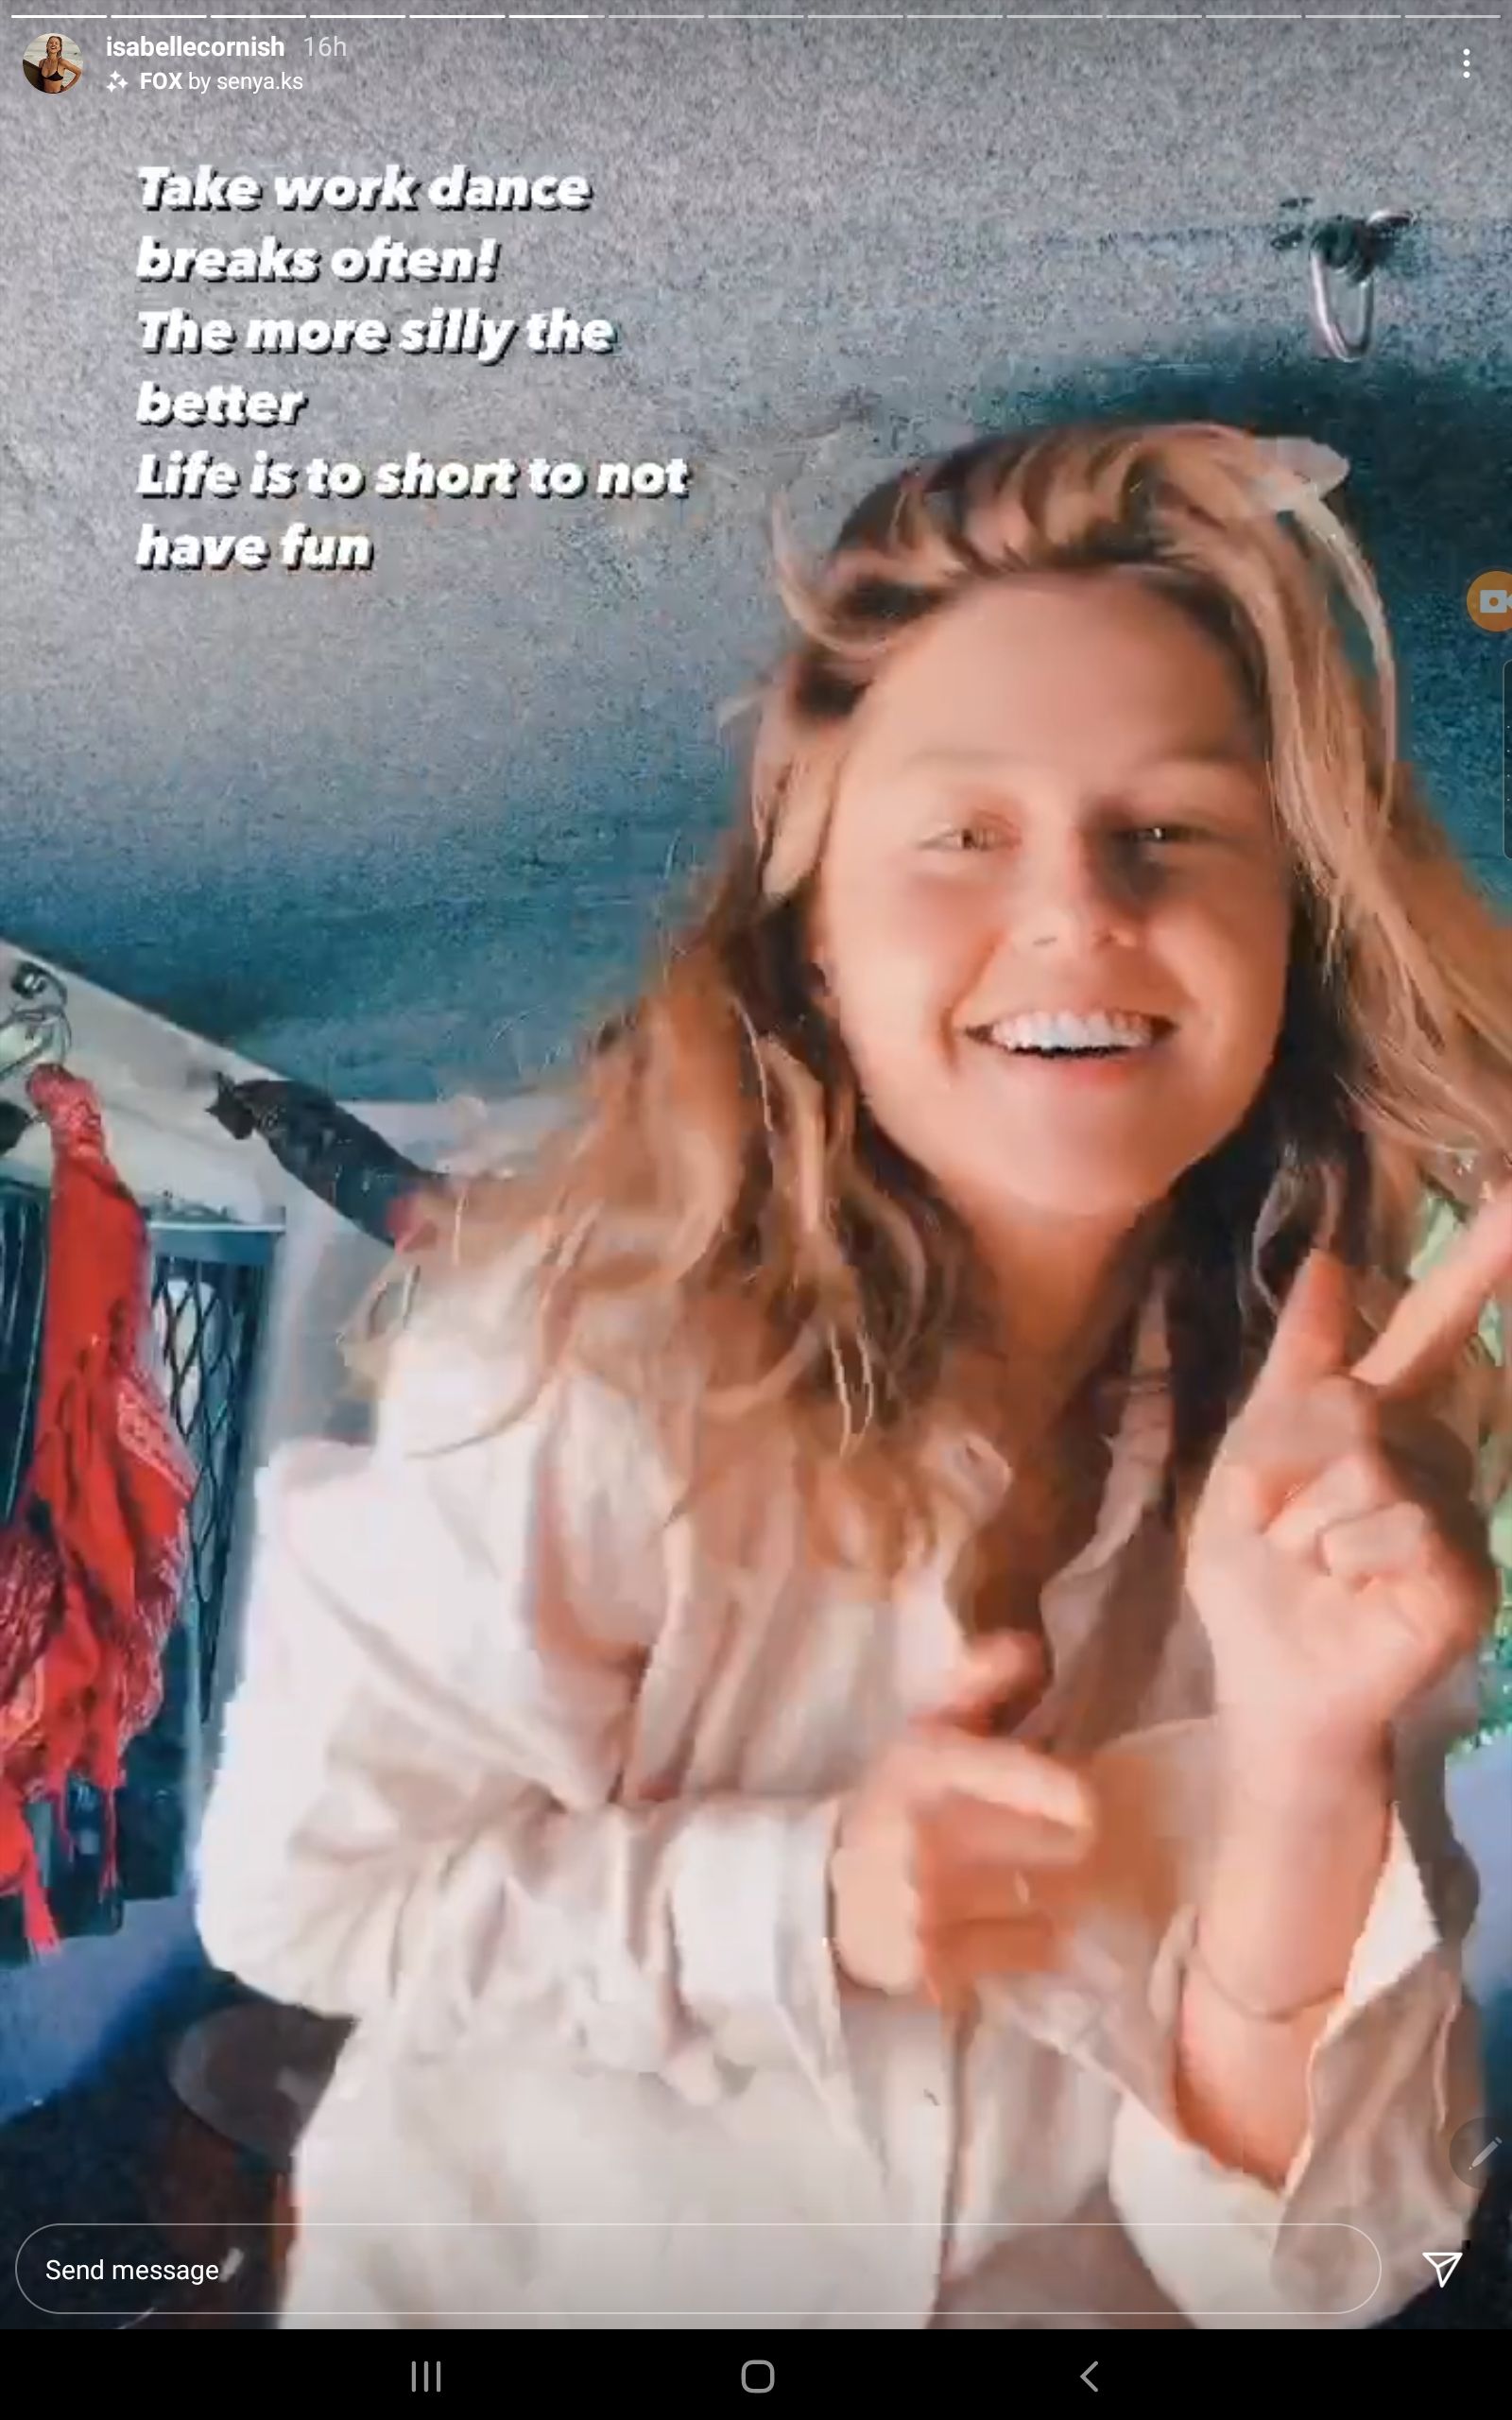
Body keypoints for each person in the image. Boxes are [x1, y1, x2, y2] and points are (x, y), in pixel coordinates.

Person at [195, 421, 1512, 2331]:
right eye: (963, 832)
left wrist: (1310, 1762)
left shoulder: (1348, 1470)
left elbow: (1310, 2280)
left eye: (1171, 830)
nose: (1076, 909)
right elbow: (303, 1900)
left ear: (1287, 936)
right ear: (809, 934)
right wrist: (798, 1904)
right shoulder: (568, 1365)